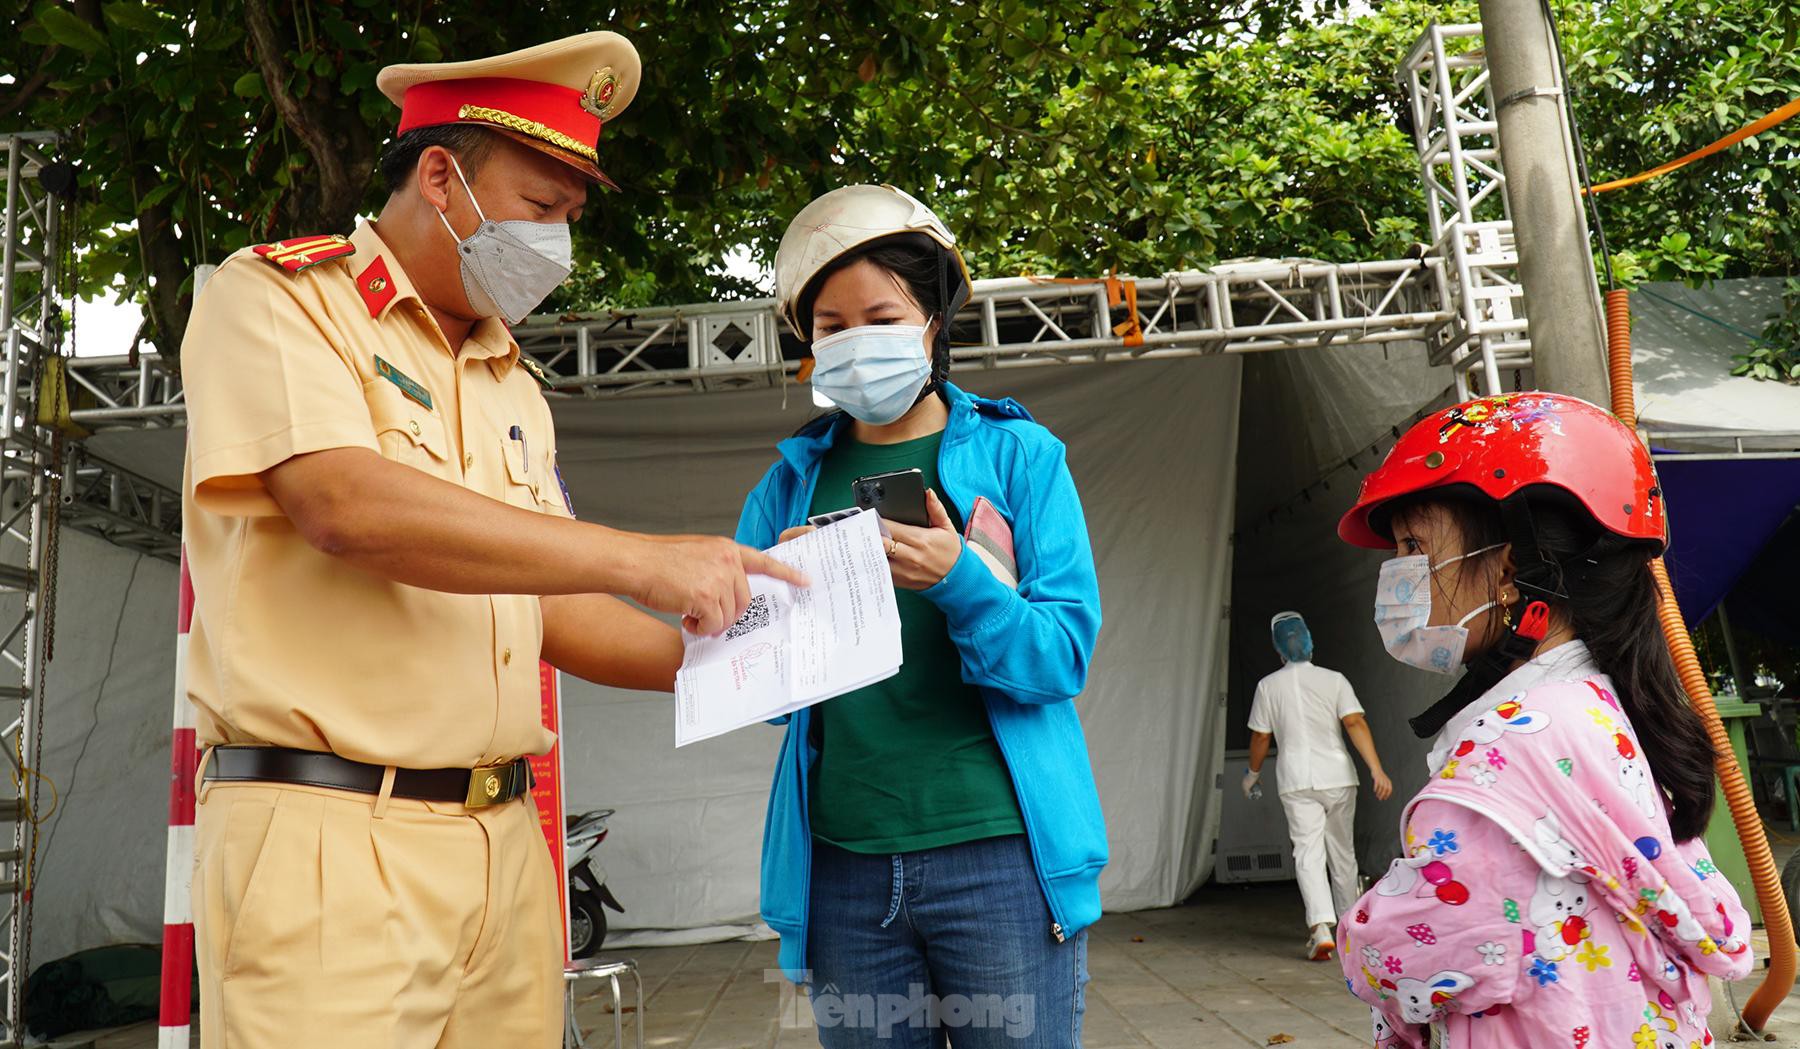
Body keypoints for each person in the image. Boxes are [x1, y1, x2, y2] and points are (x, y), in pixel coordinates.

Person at [180, 33, 804, 1049]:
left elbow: (550, 605)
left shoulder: (509, 376)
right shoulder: (281, 300)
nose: (557, 243)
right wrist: (642, 555)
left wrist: (753, 664)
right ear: (440, 176)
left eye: (570, 219)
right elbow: (343, 502)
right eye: (541, 208)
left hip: (507, 846)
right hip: (330, 838)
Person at [735, 184, 1106, 1048]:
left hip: (1001, 856)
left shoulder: (1021, 455)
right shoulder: (785, 485)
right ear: (808, 340)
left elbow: (1061, 656)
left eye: (881, 314)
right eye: (831, 325)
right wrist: (784, 612)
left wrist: (962, 581)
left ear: (934, 319)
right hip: (842, 866)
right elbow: (759, 690)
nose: (855, 340)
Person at [1333, 392, 1752, 1048]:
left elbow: (1393, 953)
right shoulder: (1598, 712)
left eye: (1415, 545)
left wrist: (1362, 922)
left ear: (1507, 568)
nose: (1399, 575)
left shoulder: (1501, 765)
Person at [1244, 610, 1393, 961]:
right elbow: (1354, 722)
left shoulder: (1268, 686)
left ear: (1277, 648)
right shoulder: (1335, 680)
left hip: (1296, 781)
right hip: (1339, 778)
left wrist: (1252, 774)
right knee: (1343, 853)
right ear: (1310, 642)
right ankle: (1350, 929)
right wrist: (1376, 769)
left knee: (1308, 853)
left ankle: (1320, 928)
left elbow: (1261, 738)